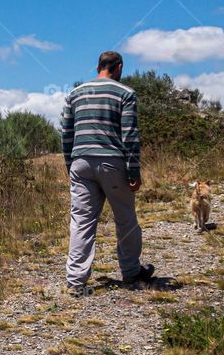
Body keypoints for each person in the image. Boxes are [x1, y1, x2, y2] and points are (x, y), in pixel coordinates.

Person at [60, 51, 155, 296]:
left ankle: (76, 282)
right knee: (125, 219)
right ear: (119, 67)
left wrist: (70, 164)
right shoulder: (125, 94)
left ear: (98, 67)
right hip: (112, 162)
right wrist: (134, 170)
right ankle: (131, 272)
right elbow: (130, 136)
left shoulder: (75, 94)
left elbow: (66, 133)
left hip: (80, 163)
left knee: (81, 222)